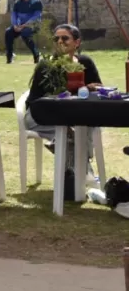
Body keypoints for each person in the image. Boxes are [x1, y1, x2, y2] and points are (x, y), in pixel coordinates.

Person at [26, 24, 102, 194]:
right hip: (41, 115)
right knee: (71, 132)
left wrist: (89, 89)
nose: (60, 41)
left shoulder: (85, 62)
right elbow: (39, 101)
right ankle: (86, 174)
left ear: (77, 42)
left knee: (84, 126)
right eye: (56, 38)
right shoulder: (46, 65)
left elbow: (98, 88)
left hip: (74, 115)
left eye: (65, 38)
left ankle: (73, 176)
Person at [5, 0, 43, 64]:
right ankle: (9, 56)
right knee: (8, 32)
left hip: (33, 25)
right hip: (19, 25)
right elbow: (14, 15)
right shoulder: (17, 3)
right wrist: (15, 25)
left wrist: (24, 25)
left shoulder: (36, 2)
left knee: (25, 34)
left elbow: (36, 16)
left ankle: (36, 54)